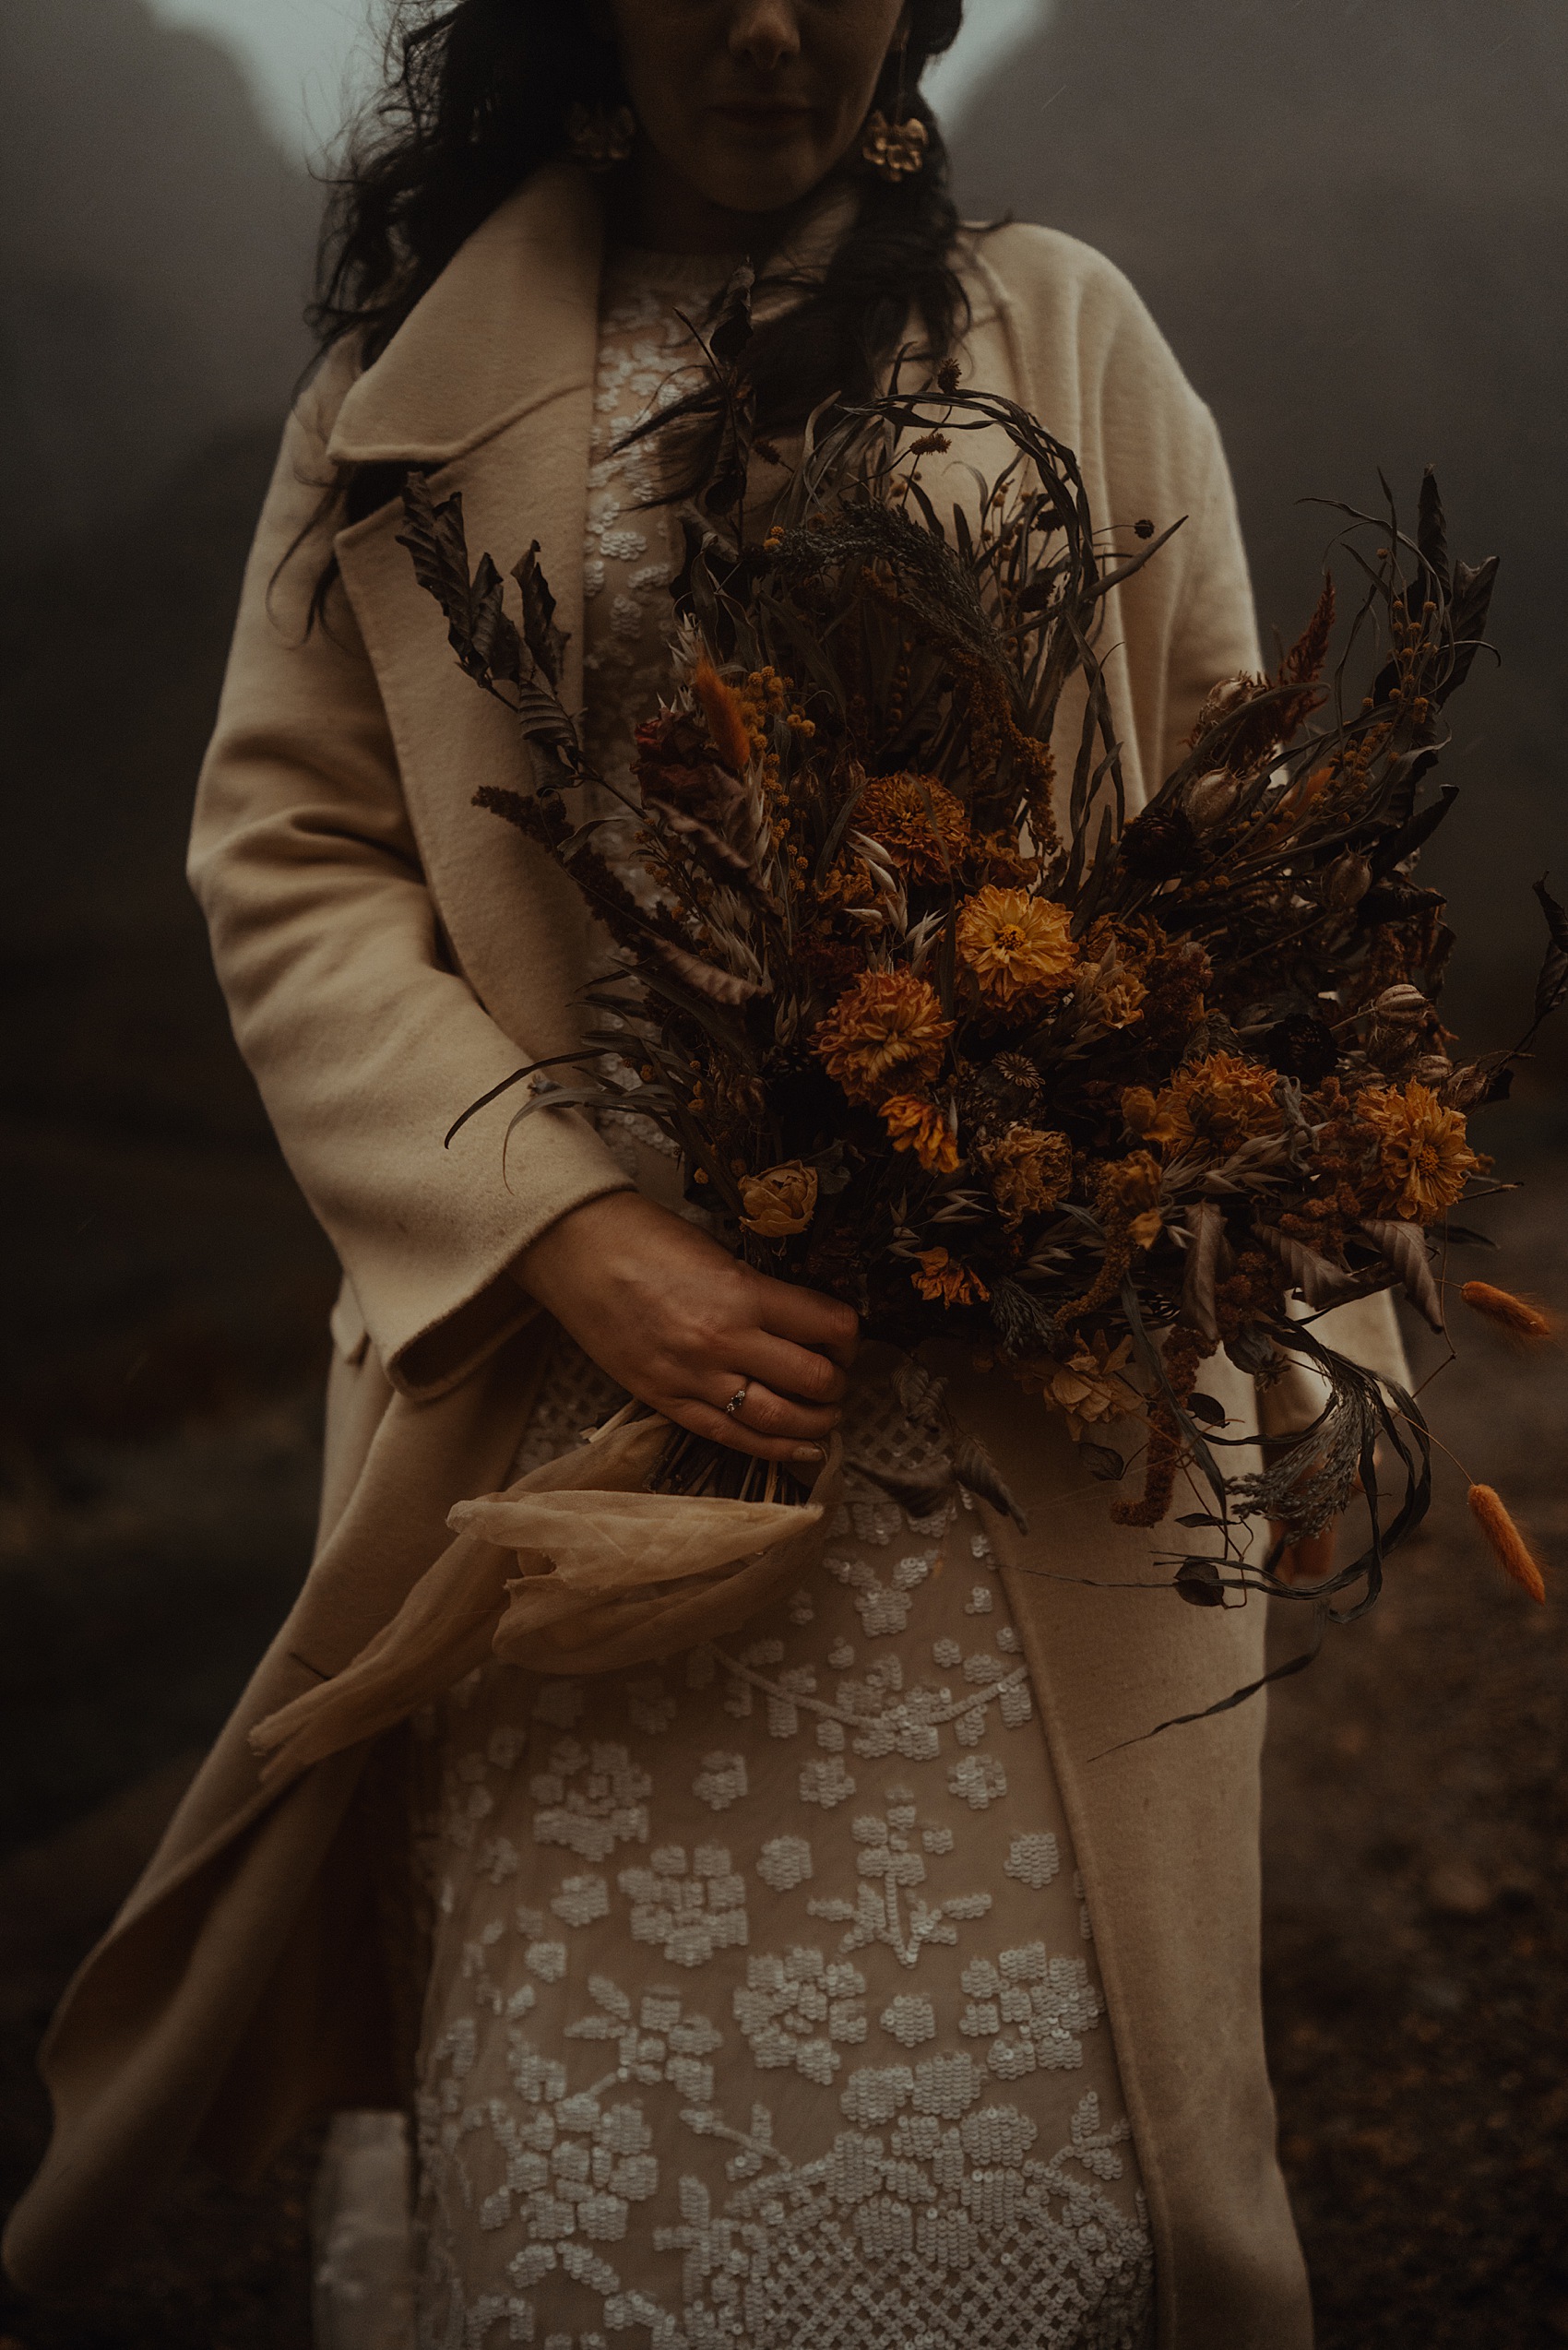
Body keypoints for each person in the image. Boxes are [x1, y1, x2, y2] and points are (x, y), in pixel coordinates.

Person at [4, 4, 1407, 2344]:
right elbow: (294, 857)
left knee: (1040, 2170)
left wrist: (1215, 1223)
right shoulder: (405, 382)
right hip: (586, 1438)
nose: (764, 20)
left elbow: (1227, 815)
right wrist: (566, 1224)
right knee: (594, 2195)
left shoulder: (1058, 326)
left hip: (1008, 1436)